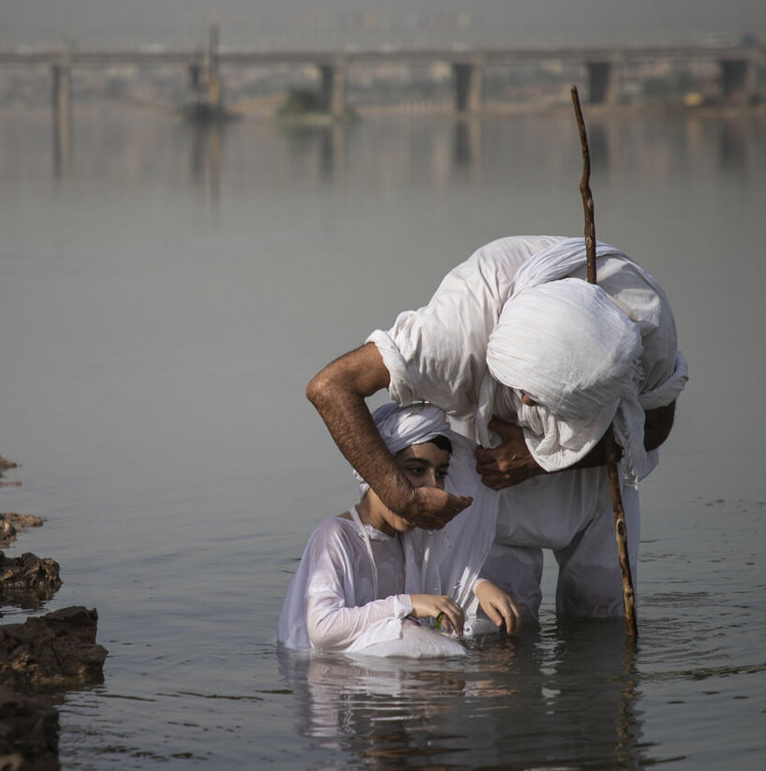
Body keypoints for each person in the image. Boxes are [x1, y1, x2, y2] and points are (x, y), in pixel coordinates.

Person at [305, 236, 688, 620]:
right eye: (520, 387)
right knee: (503, 631)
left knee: (602, 623)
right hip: (487, 476)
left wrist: (540, 458)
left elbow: (652, 430)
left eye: (542, 399)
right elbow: (331, 388)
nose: (524, 404)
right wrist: (403, 498)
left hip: (595, 469)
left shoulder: (645, 323)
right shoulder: (453, 333)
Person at [277, 402, 520, 657]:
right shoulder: (335, 535)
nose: (433, 487)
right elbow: (323, 629)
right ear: (378, 471)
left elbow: (442, 574)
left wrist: (478, 587)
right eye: (416, 470)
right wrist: (408, 604)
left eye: (440, 473)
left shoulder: (412, 536)